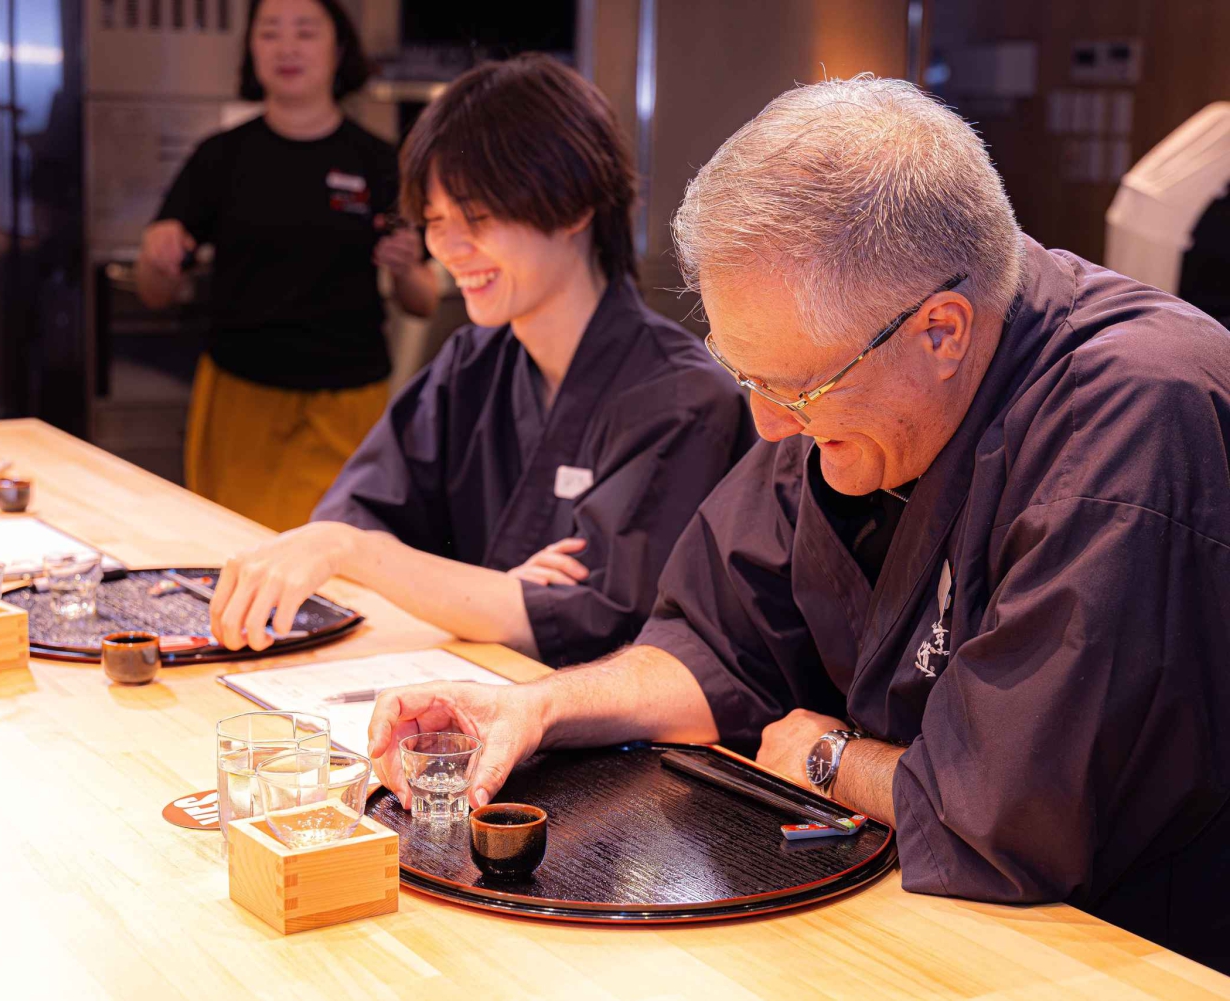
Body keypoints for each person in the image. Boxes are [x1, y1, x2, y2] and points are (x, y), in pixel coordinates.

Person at [365, 76, 1230, 972]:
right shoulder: (849, 374)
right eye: (750, 381)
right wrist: (534, 709)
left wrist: (827, 755)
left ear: (942, 330)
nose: (772, 426)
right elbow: (716, 643)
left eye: (794, 389)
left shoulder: (1131, 419)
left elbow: (1010, 811)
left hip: (1122, 953)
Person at [208, 55, 754, 666]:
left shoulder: (682, 396)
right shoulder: (472, 361)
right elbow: (361, 512)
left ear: (573, 206)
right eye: (436, 221)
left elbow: (591, 621)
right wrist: (493, 594)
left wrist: (387, 563)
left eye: (479, 216)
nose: (450, 247)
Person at [138, 0, 437, 531]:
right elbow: (154, 292)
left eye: (305, 31)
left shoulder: (378, 161)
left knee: (335, 561)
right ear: (252, 50)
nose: (287, 47)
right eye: (270, 33)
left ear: (337, 49)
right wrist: (157, 258)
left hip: (347, 401)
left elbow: (422, 299)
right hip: (239, 400)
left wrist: (406, 268)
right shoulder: (220, 157)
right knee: (234, 552)